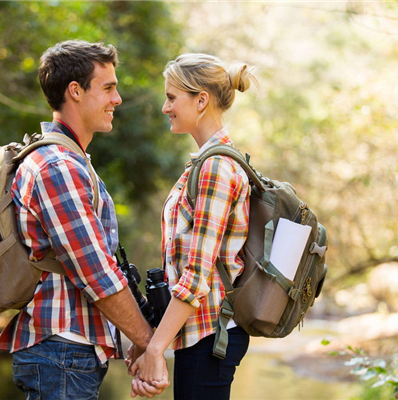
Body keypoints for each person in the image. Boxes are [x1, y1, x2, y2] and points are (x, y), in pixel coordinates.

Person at [0, 40, 166, 400]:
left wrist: (134, 341)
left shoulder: (72, 161)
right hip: (61, 353)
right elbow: (96, 273)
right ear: (75, 91)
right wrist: (149, 343)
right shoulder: (58, 167)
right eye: (108, 88)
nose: (117, 99)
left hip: (68, 354)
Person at [129, 53, 257, 399]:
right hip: (199, 337)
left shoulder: (216, 167)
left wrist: (155, 348)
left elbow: (196, 276)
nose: (164, 107)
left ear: (201, 100)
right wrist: (152, 340)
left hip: (210, 339)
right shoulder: (203, 164)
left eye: (171, 97)